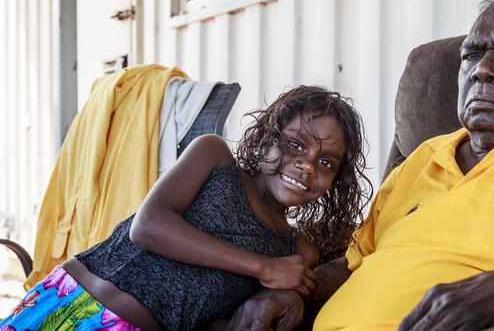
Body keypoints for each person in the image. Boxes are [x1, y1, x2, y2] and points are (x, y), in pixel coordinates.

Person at [224, 0, 494, 331]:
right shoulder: (423, 157)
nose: (483, 69)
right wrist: (294, 293)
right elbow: (352, 265)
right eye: (471, 54)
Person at [0, 86, 372, 331]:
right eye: (295, 145)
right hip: (69, 298)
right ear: (266, 138)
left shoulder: (298, 252)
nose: (307, 165)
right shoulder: (214, 158)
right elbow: (148, 227)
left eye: (326, 163)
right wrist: (264, 267)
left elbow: (212, 309)